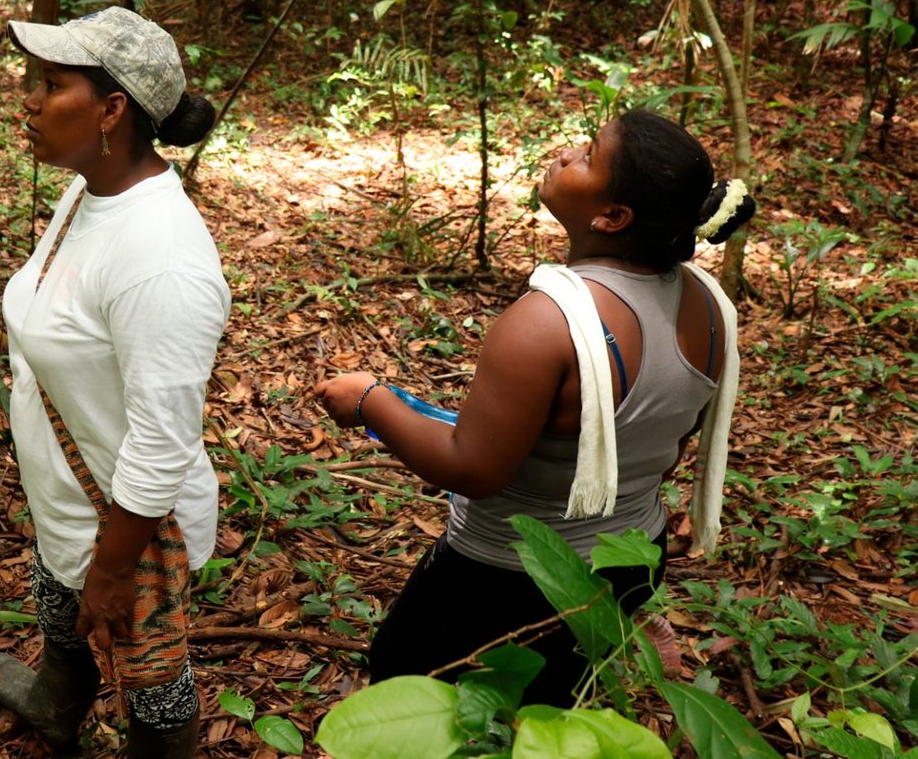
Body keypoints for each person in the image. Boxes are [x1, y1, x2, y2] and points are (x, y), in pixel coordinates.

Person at [314, 108, 755, 705]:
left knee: (407, 681)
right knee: (547, 704)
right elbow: (668, 445)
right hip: (631, 556)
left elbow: (473, 468)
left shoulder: (546, 323)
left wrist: (370, 401)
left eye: (590, 155)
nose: (568, 153)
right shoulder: (708, 306)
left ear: (613, 217)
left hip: (512, 574)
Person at [0, 7, 229, 757]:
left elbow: (162, 442)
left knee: (154, 685)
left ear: (112, 110)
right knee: (58, 601)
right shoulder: (90, 188)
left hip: (130, 526)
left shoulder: (163, 257)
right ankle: (59, 700)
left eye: (51, 84)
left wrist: (114, 568)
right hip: (71, 493)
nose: (28, 99)